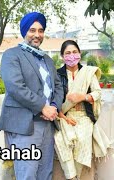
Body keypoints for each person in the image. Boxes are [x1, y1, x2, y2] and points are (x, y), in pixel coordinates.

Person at [0, 12, 64, 180]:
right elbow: (15, 87)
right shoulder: (12, 55)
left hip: (48, 123)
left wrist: (54, 106)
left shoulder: (47, 59)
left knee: (45, 172)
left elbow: (58, 86)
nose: (37, 35)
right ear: (24, 31)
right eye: (32, 30)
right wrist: (43, 106)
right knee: (27, 174)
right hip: (24, 125)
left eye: (41, 31)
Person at [54, 40, 112, 180]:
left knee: (82, 140)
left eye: (74, 52)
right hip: (63, 116)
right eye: (67, 53)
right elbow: (52, 98)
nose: (71, 56)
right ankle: (71, 176)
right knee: (60, 140)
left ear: (79, 53)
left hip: (84, 116)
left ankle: (76, 175)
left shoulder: (88, 73)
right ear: (62, 56)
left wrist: (83, 97)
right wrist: (63, 116)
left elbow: (98, 93)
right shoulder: (57, 75)